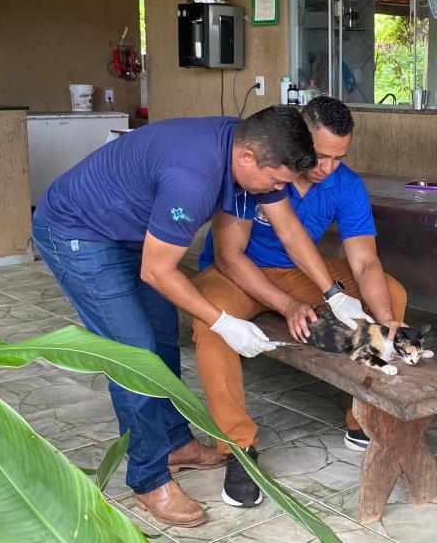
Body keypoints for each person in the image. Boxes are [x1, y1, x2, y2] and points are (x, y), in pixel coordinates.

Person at [31, 106, 371, 528]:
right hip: (78, 234)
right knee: (134, 354)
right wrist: (224, 322)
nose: (279, 191)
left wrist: (334, 294)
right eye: (277, 182)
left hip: (132, 233)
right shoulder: (192, 179)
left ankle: (174, 442)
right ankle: (149, 478)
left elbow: (288, 228)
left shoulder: (251, 146)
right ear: (248, 160)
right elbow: (158, 270)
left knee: (160, 341)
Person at [191, 96, 407, 508]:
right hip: (236, 273)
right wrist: (286, 305)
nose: (327, 167)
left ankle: (361, 418)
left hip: (300, 274)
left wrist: (386, 321)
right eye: (320, 155)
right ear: (298, 140)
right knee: (212, 325)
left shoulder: (345, 184)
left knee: (390, 294)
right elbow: (227, 256)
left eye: (338, 157)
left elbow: (364, 261)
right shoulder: (263, 172)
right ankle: (238, 447)